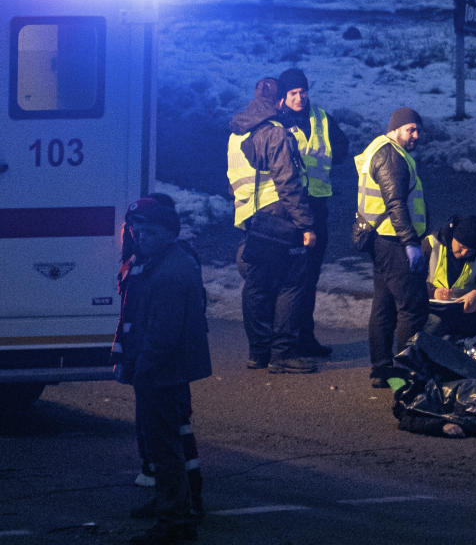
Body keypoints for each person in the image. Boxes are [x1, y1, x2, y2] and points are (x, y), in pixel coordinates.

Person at [112, 197, 212, 544]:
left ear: (168, 233)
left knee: (166, 447)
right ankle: (171, 505)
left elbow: (163, 333)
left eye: (150, 231)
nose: (141, 237)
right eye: (138, 231)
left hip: (161, 372)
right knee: (161, 445)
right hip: (158, 369)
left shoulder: (169, 271)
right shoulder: (156, 260)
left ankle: (174, 521)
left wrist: (143, 368)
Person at [227, 77, 318, 374]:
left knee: (256, 285)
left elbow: (233, 180)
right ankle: (284, 354)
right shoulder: (276, 133)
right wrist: (306, 225)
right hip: (277, 216)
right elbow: (289, 183)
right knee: (291, 284)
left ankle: (258, 353)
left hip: (249, 217)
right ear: (279, 102)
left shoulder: (236, 133)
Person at [276, 68, 349, 359]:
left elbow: (341, 147)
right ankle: (285, 341)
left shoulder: (320, 116)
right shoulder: (277, 121)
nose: (299, 97)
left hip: (317, 207)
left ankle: (304, 338)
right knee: (289, 280)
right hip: (289, 209)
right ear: (284, 95)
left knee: (309, 279)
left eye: (302, 91)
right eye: (293, 93)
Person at [354, 107, 428, 388]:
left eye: (418, 130)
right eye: (410, 130)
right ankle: (405, 373)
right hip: (393, 241)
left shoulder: (381, 149)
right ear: (395, 128)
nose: (416, 136)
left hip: (382, 240)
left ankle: (383, 370)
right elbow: (395, 202)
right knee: (412, 308)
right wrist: (410, 242)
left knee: (384, 305)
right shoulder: (390, 156)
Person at [421, 214, 476, 339]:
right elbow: (409, 282)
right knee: (435, 324)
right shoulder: (431, 244)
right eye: (461, 247)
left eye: (470, 251)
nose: (464, 253)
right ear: (453, 237)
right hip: (431, 307)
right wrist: (433, 292)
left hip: (463, 309)